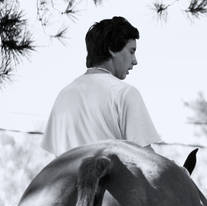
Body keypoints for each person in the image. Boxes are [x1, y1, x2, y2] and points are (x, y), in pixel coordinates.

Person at [41, 16, 161, 156]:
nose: (135, 61)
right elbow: (147, 160)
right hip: (110, 177)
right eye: (131, 51)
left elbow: (57, 160)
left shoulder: (63, 95)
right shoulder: (124, 93)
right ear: (112, 49)